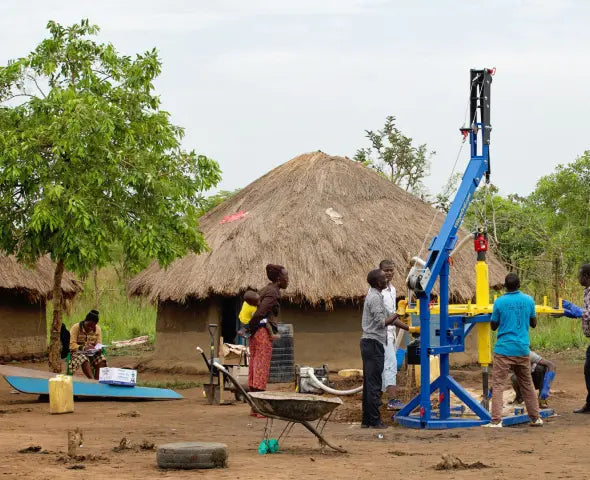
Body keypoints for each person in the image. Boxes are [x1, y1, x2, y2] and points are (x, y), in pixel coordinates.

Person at [486, 273, 542, 427]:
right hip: (522, 349)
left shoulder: (500, 302)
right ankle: (535, 418)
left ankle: (496, 420)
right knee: (527, 384)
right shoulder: (528, 300)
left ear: (505, 286)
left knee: (498, 384)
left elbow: (493, 326)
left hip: (504, 349)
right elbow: (533, 323)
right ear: (519, 285)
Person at [361, 268, 415, 429]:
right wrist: (399, 312)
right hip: (373, 343)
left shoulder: (377, 295)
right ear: (378, 282)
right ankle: (375, 421)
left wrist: (409, 329)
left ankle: (367, 420)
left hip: (371, 343)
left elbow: (389, 317)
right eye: (384, 278)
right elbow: (381, 322)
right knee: (374, 384)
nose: (387, 279)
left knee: (370, 384)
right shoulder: (375, 298)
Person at [247, 264, 288, 418]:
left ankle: (254, 407)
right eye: (286, 277)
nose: (288, 280)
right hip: (262, 333)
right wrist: (251, 327)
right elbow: (261, 312)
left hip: (256, 332)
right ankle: (261, 408)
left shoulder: (266, 289)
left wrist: (250, 329)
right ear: (279, 279)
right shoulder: (272, 293)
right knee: (260, 368)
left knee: (255, 366)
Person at [377, 259, 403, 411]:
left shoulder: (392, 290)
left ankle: (377, 399)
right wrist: (409, 327)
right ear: (380, 271)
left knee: (383, 366)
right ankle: (392, 400)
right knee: (391, 364)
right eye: (386, 270)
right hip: (382, 333)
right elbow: (387, 318)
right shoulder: (378, 292)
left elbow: (393, 314)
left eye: (391, 270)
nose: (389, 273)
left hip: (391, 333)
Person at [68, 309, 107, 380]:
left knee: (102, 360)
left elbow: (99, 343)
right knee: (84, 359)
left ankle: (97, 381)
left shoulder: (97, 329)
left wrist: (98, 349)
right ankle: (92, 381)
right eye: (88, 325)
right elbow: (71, 344)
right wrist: (83, 348)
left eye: (92, 326)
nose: (90, 328)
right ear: (85, 321)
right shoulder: (76, 327)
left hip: (92, 354)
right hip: (77, 353)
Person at [573, 263, 590, 414]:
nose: (579, 279)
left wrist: (576, 312)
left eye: (580, 275)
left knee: (588, 369)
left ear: (587, 276)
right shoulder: (587, 292)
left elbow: (588, 313)